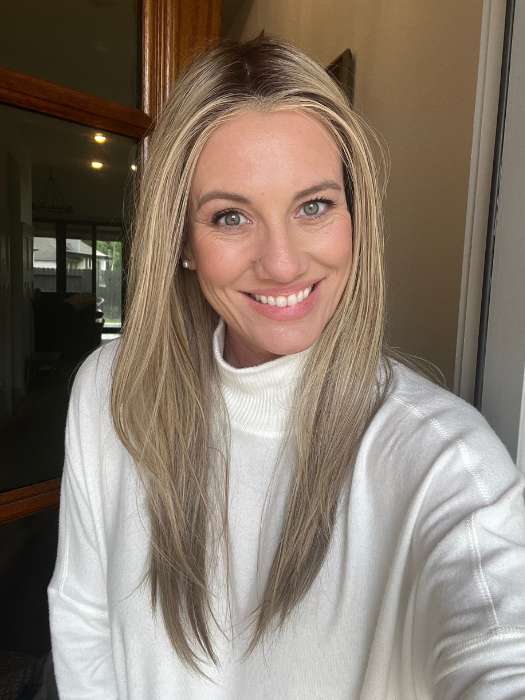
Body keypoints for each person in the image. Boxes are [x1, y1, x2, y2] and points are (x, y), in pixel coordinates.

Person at [47, 35, 525, 699]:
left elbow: (499, 641)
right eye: (230, 216)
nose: (281, 263)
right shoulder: (110, 390)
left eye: (313, 206)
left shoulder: (445, 461)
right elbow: (82, 616)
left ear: (356, 217)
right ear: (181, 241)